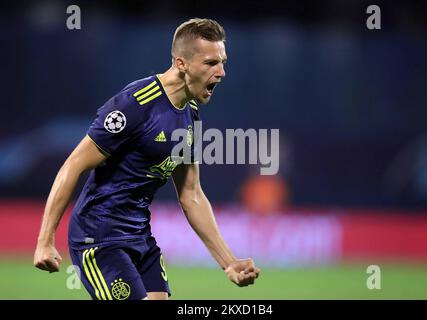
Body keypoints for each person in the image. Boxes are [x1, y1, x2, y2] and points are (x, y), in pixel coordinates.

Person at [33, 18, 260, 300]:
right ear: (181, 64)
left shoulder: (190, 113)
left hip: (140, 238)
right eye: (211, 63)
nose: (221, 72)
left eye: (223, 62)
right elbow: (73, 165)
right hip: (99, 238)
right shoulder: (134, 105)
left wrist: (229, 262)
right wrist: (45, 241)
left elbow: (191, 195)